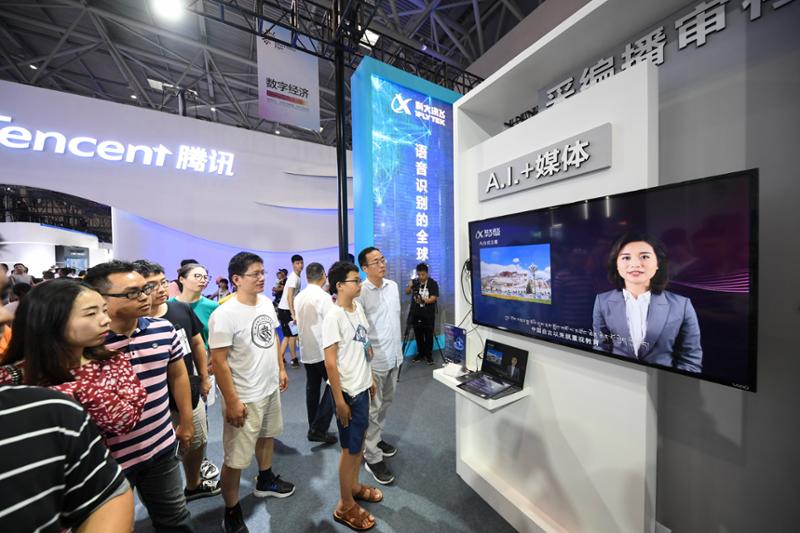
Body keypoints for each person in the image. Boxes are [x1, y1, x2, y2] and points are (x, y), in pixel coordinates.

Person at [84, 260, 196, 532]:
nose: (145, 296)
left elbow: (178, 376)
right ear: (100, 298)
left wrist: (186, 421)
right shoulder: (87, 343)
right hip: (108, 459)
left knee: (175, 519)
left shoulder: (163, 329)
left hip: (161, 446)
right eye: (132, 293)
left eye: (145, 289)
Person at [209, 252, 294, 533]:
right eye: (254, 274)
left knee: (267, 435)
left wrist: (280, 368)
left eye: (262, 272)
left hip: (268, 388)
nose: (261, 278)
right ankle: (231, 510)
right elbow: (219, 362)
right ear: (236, 279)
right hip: (244, 395)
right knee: (235, 459)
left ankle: (265, 479)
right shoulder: (224, 314)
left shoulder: (266, 303)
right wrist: (232, 400)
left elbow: (273, 340)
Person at [1, 279, 147, 438]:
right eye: (91, 313)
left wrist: (82, 391)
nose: (106, 320)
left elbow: (126, 421)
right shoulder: (11, 377)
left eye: (104, 310)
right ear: (50, 320)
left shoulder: (112, 361)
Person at [134, 260, 221, 501]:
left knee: (196, 440)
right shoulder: (132, 323)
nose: (161, 289)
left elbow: (197, 344)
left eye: (163, 282)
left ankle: (193, 485)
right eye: (152, 286)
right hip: (152, 402)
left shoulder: (180, 309)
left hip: (189, 392)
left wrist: (204, 378)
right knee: (158, 454)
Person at [0, 385, 134, 532]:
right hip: (113, 461)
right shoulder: (54, 404)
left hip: (120, 461)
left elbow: (107, 498)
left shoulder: (52, 408)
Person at [322, 260, 381, 531]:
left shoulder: (357, 309)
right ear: (339, 286)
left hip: (361, 387)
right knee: (349, 449)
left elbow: (363, 344)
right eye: (355, 280)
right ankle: (345, 504)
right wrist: (339, 401)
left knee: (358, 445)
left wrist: (369, 377)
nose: (359, 284)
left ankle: (354, 487)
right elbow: (330, 363)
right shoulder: (333, 316)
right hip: (347, 394)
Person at [592, 232, 703, 373]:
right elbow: (601, 348)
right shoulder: (602, 301)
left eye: (644, 257)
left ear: (658, 263)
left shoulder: (681, 305)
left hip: (663, 382)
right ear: (617, 264)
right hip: (616, 378)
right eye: (626, 257)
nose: (635, 264)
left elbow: (691, 359)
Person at [357, 247, 402, 485]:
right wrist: (367, 365)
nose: (382, 264)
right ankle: (372, 456)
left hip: (394, 357)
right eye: (375, 262)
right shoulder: (361, 292)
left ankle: (376, 439)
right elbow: (360, 333)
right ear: (365, 268)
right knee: (372, 410)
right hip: (375, 362)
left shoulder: (393, 286)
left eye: (382, 259)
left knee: (386, 403)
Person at [294, 262, 337, 445]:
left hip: (306, 349)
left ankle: (314, 425)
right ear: (323, 275)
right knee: (335, 386)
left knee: (312, 389)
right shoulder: (324, 297)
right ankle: (319, 428)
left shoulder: (299, 297)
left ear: (307, 277)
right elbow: (332, 323)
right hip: (322, 350)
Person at [405, 263, 439, 365]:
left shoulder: (432, 283)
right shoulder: (415, 282)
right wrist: (409, 286)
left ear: (427, 273)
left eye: (423, 274)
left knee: (428, 335)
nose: (421, 277)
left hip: (428, 314)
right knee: (418, 335)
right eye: (419, 274)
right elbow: (407, 292)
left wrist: (423, 301)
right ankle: (421, 354)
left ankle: (428, 355)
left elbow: (434, 298)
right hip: (416, 313)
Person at [278, 255, 304, 368]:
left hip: (286, 310)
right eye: (297, 263)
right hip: (286, 310)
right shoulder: (293, 278)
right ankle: (293, 359)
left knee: (288, 336)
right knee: (292, 335)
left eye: (301, 263)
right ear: (293, 265)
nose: (300, 265)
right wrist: (293, 314)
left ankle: (280, 359)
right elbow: (289, 297)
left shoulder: (297, 277)